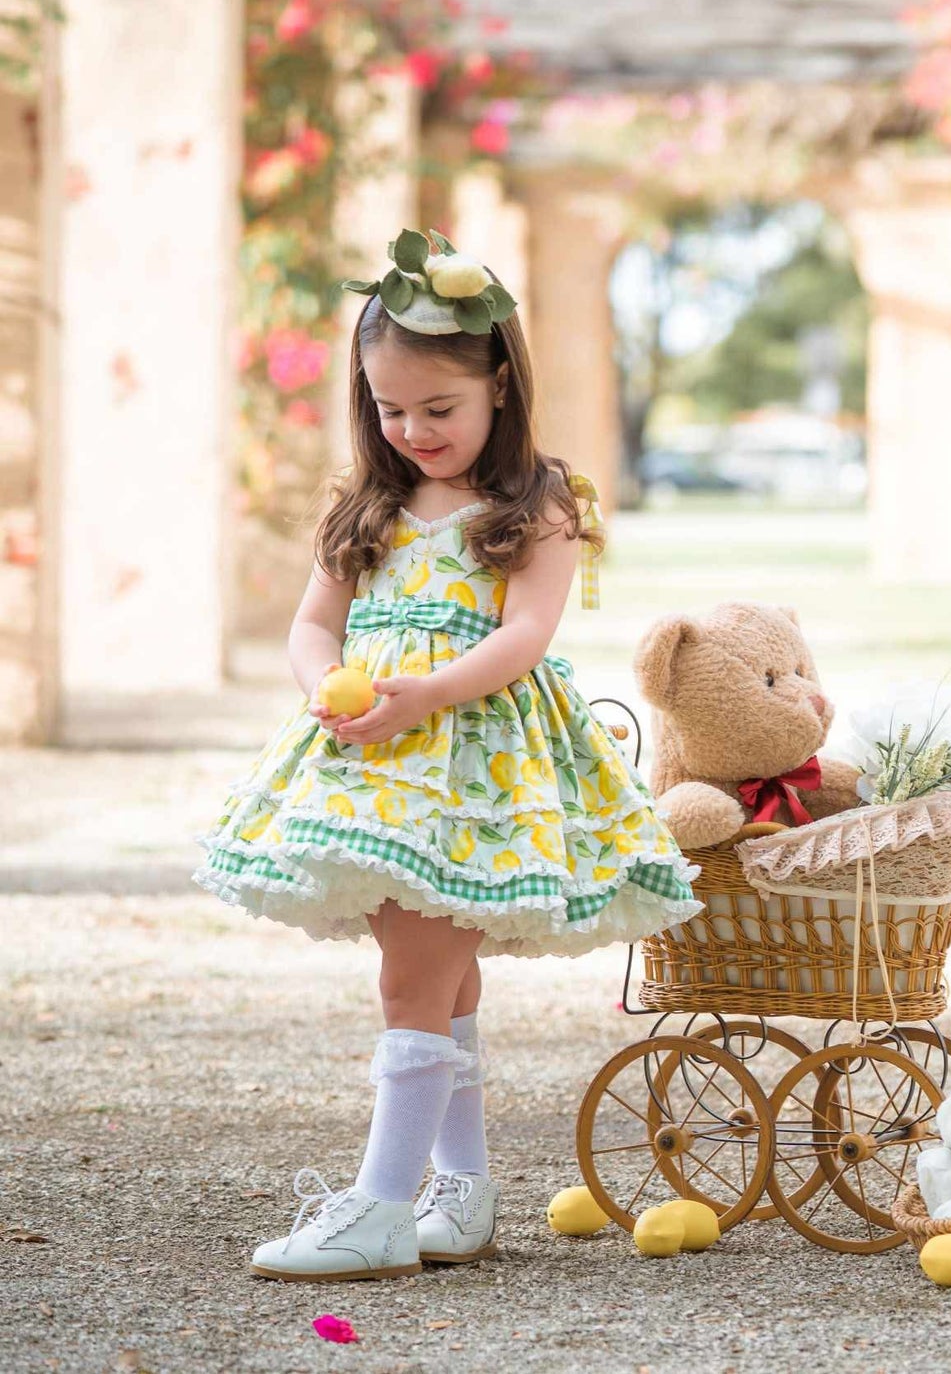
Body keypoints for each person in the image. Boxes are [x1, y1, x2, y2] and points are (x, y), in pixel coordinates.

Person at [194, 229, 700, 1282]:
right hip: (375, 765)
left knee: (414, 979)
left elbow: (524, 637)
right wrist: (321, 688)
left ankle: (381, 1204)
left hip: (470, 768)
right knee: (441, 978)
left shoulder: (533, 507)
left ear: (500, 389)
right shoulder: (366, 507)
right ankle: (458, 1192)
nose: (412, 431)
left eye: (439, 409)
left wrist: (426, 690)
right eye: (389, 409)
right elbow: (308, 627)